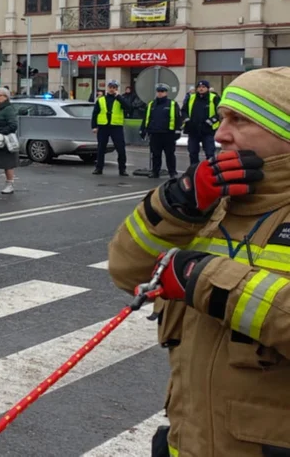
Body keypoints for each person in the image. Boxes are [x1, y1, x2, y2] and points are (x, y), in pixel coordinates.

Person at [106, 67, 288, 457]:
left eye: (239, 120)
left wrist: (205, 280)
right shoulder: (215, 203)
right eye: (222, 118)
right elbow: (126, 269)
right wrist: (177, 202)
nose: (221, 134)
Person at [141, 83, 183, 180]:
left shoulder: (172, 104)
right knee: (155, 155)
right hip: (155, 133)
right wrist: (143, 129)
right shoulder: (151, 104)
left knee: (170, 154)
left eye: (162, 91)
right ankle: (155, 172)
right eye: (158, 91)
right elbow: (146, 118)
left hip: (168, 134)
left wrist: (177, 130)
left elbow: (178, 118)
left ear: (166, 93)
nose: (160, 93)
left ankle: (172, 172)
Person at [92, 80, 129, 176]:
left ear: (117, 89)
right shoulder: (101, 99)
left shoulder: (120, 99)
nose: (112, 89)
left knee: (121, 149)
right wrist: (94, 126)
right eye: (110, 87)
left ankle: (122, 169)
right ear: (107, 88)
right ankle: (98, 168)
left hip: (116, 127)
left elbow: (129, 107)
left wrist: (119, 97)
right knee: (101, 148)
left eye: (114, 87)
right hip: (103, 126)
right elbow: (95, 113)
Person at [184, 80, 220, 166]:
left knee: (209, 153)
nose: (201, 89)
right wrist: (186, 119)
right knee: (193, 153)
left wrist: (212, 121)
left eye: (203, 87)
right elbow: (184, 110)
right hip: (193, 130)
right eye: (199, 87)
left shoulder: (214, 98)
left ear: (207, 88)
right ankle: (194, 172)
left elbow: (220, 112)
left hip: (208, 130)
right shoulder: (191, 98)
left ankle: (211, 171)